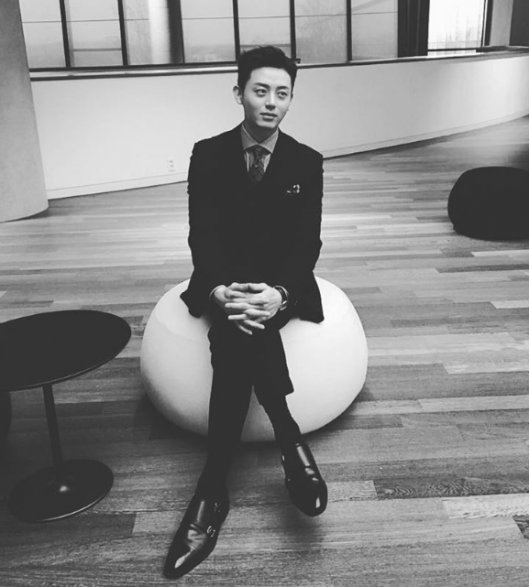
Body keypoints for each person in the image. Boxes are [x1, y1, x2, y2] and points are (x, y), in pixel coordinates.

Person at [163, 45, 327, 580]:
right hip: (226, 284)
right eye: (261, 90)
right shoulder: (208, 153)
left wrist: (279, 293)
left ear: (291, 99)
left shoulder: (307, 161)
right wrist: (218, 291)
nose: (272, 102)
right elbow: (202, 235)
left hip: (278, 287)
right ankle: (288, 435)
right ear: (239, 93)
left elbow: (306, 245)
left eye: (283, 93)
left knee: (236, 339)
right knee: (238, 330)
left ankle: (212, 490)